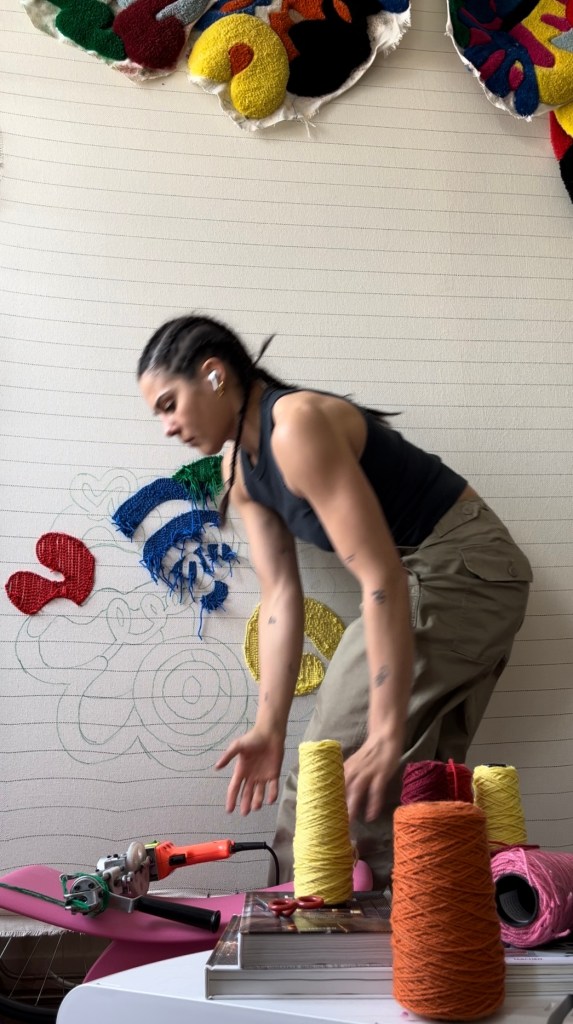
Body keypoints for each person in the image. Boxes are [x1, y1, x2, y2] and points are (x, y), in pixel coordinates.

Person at [138, 313, 532, 887]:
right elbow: (279, 596)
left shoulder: (294, 426)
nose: (167, 427)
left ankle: (296, 920)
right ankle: (410, 927)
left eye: (169, 404)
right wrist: (269, 728)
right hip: (456, 574)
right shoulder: (239, 472)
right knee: (416, 789)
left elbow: (381, 577)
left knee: (327, 771)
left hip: (460, 566)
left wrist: (385, 730)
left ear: (214, 375)